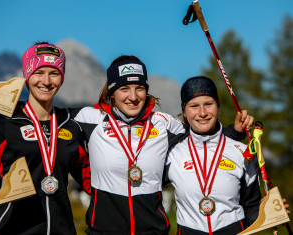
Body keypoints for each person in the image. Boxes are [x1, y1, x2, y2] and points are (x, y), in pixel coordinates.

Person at [72, 56, 253, 235]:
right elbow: (58, 142)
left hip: (154, 231)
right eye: (124, 88)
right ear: (111, 92)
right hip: (103, 231)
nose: (133, 97)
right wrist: (88, 182)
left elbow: (200, 136)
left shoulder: (163, 124)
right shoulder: (89, 119)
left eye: (140, 88)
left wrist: (234, 133)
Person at [0, 42, 90, 235]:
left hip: (62, 229)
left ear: (62, 78)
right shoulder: (1, 125)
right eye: (39, 72)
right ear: (27, 75)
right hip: (14, 230)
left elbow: (92, 182)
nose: (46, 81)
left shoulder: (71, 125)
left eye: (54, 73)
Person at [165, 76, 261, 234]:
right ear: (184, 112)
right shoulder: (172, 152)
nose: (202, 113)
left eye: (208, 104)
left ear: (218, 106)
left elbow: (252, 206)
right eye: (194, 106)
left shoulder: (242, 152)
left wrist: (271, 213)